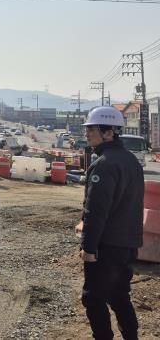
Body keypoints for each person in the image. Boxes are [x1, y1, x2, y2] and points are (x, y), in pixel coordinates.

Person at [75, 106, 144, 340]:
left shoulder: (105, 164)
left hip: (107, 246)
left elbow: (97, 210)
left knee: (93, 298)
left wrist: (89, 247)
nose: (87, 133)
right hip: (128, 243)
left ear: (108, 132)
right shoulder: (130, 161)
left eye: (92, 129)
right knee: (119, 295)